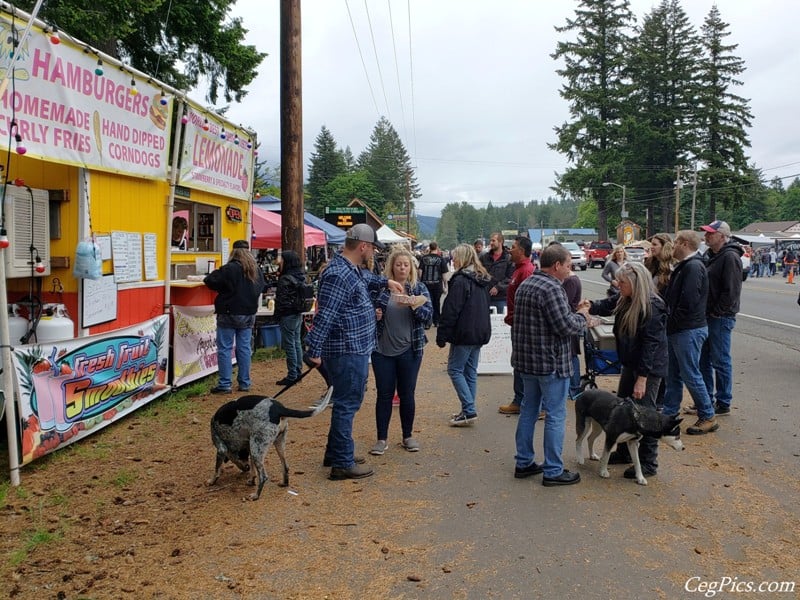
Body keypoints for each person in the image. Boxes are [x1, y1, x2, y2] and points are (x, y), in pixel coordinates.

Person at [304, 224, 403, 481]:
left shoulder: (350, 270)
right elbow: (325, 315)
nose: (373, 253)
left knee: (346, 401)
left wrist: (386, 281)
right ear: (363, 247)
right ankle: (342, 462)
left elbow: (367, 279)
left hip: (353, 348)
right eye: (372, 248)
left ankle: (336, 452)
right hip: (347, 349)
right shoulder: (339, 274)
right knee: (347, 404)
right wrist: (314, 350)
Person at [512, 243, 589, 486]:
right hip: (550, 363)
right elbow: (564, 326)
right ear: (557, 265)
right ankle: (553, 470)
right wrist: (583, 316)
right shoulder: (552, 288)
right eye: (568, 265)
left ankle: (524, 461)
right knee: (555, 415)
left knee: (528, 411)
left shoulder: (527, 284)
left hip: (527, 361)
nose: (570, 270)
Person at [583, 262, 668, 478]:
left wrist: (642, 378)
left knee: (646, 413)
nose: (617, 285)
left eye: (622, 282)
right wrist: (590, 305)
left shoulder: (653, 306)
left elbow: (651, 345)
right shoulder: (625, 299)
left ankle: (649, 463)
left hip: (648, 369)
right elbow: (608, 304)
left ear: (635, 283)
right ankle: (623, 452)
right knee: (623, 407)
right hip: (631, 364)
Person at [369, 247, 432, 455]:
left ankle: (408, 435)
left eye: (406, 264)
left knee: (407, 394)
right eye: (398, 264)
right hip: (382, 350)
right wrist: (375, 314)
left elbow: (428, 318)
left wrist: (414, 305)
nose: (402, 268)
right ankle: (381, 439)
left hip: (410, 349)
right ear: (392, 267)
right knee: (384, 395)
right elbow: (369, 313)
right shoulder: (382, 289)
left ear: (411, 267)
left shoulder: (419, 288)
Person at [661, 231, 719, 435]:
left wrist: (673, 320)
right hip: (682, 328)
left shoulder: (693, 267)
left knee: (690, 374)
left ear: (684, 244)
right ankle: (669, 414)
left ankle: (707, 415)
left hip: (688, 329)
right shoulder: (687, 266)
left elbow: (689, 301)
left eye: (675, 242)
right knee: (673, 374)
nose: (673, 246)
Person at [436, 244, 492, 426]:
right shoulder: (481, 279)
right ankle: (468, 408)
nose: (453, 260)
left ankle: (468, 409)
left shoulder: (461, 280)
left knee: (455, 369)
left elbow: (451, 309)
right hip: (480, 331)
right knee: (470, 372)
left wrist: (442, 334)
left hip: (464, 332)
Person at [203, 240, 265, 394]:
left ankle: (225, 384)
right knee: (244, 348)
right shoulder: (255, 269)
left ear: (233, 252)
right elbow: (262, 286)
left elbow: (209, 280)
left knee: (225, 348)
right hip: (249, 313)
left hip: (229, 312)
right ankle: (245, 383)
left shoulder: (229, 269)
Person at [699, 220, 742, 417]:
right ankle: (706, 398)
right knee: (704, 359)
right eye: (706, 233)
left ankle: (724, 400)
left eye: (710, 233)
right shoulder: (710, 256)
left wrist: (718, 311)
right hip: (707, 315)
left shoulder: (730, 257)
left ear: (722, 236)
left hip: (720, 317)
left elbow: (731, 290)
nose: (706, 236)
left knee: (720, 359)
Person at [498, 236, 535, 415]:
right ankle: (519, 399)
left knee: (521, 364)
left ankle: (524, 401)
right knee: (518, 363)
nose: (509, 250)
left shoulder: (526, 271)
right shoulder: (518, 270)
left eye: (512, 247)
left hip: (522, 326)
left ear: (521, 250)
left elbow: (528, 302)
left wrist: (517, 319)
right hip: (516, 324)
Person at [274, 250, 307, 386]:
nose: (279, 262)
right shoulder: (300, 276)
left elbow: (281, 300)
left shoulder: (285, 278)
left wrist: (278, 315)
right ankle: (298, 371)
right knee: (296, 342)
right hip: (297, 313)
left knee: (290, 345)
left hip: (287, 314)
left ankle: (292, 374)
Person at [480, 232, 515, 313]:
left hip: (501, 298)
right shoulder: (484, 258)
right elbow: (478, 273)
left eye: (493, 241)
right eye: (490, 241)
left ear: (500, 242)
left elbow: (511, 277)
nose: (491, 243)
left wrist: (498, 287)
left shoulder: (509, 258)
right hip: (485, 297)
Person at [419, 241, 448, 327]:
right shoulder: (441, 259)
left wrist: (421, 281)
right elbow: (444, 275)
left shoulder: (424, 258)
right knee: (436, 303)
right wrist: (445, 286)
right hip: (437, 284)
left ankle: (428, 322)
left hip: (426, 284)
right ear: (437, 248)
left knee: (427, 302)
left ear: (430, 248)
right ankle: (437, 321)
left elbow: (420, 272)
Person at [645, 233, 675, 297]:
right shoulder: (649, 262)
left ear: (664, 246)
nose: (651, 247)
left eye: (654, 244)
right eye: (651, 244)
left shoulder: (673, 265)